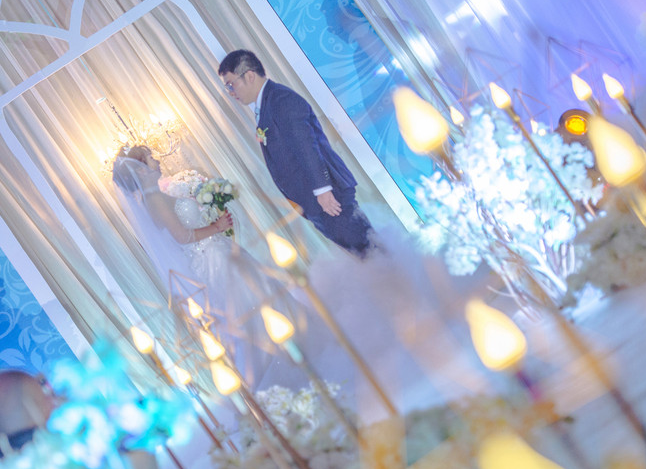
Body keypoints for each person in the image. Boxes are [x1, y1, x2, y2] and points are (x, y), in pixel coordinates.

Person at [112, 145, 304, 387]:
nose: (157, 161)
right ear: (141, 171)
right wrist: (217, 227)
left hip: (215, 251)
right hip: (210, 258)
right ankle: (282, 364)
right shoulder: (155, 199)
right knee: (250, 305)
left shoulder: (155, 196)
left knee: (256, 298)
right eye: (151, 158)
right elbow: (181, 236)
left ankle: (290, 354)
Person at [218, 49, 375, 257]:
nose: (231, 92)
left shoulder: (281, 100)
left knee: (371, 252)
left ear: (249, 75)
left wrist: (323, 190)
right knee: (364, 255)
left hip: (328, 196)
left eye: (231, 84)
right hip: (315, 201)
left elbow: (306, 145)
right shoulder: (267, 104)